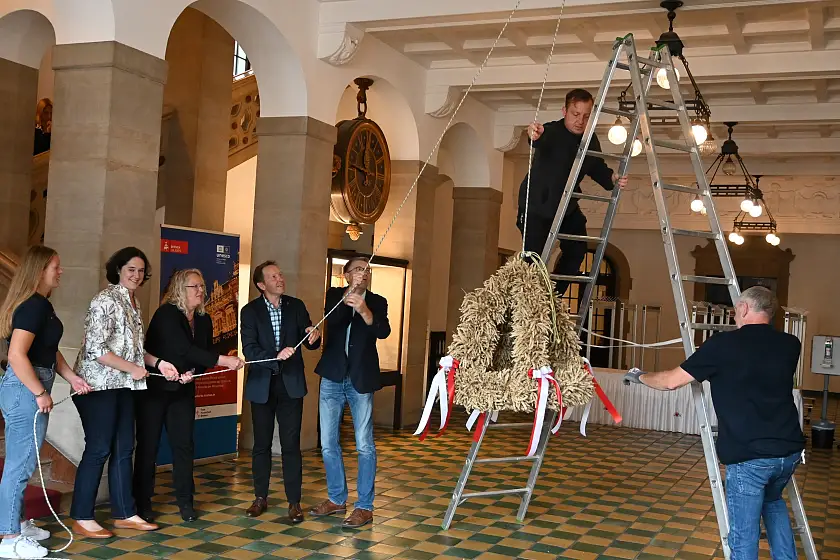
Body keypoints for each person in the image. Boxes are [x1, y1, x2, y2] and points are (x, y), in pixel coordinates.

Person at [623, 286, 805, 560]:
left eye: (736, 310)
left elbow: (671, 381)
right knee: (774, 503)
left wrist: (639, 376)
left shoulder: (723, 345)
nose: (734, 316)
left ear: (744, 309)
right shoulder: (791, 344)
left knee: (744, 536)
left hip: (749, 457)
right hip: (788, 452)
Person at [71, 247, 177, 538]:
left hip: (124, 386)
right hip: (98, 385)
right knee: (99, 448)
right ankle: (82, 516)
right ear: (118, 269)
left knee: (124, 448)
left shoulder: (134, 302)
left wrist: (160, 363)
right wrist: (131, 368)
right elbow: (96, 350)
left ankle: (125, 513)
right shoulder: (104, 299)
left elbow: (135, 351)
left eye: (141, 271)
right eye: (131, 269)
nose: (137, 275)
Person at [0, 246, 92, 559]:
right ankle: (9, 539)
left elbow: (49, 351)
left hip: (31, 384)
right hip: (25, 388)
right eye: (56, 266)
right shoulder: (33, 306)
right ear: (40, 270)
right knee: (19, 465)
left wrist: (72, 377)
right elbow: (16, 355)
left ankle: (19, 524)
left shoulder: (42, 306)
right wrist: (40, 392)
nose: (61, 271)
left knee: (23, 462)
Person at [133, 268, 244, 523]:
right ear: (179, 290)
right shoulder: (167, 314)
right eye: (194, 286)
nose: (201, 291)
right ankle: (142, 502)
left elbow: (203, 351)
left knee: (184, 446)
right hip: (156, 390)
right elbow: (182, 348)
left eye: (202, 286)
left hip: (184, 389)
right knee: (148, 446)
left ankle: (186, 502)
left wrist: (193, 371)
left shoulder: (204, 319)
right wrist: (224, 360)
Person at [517, 88, 628, 296]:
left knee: (577, 250)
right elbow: (538, 138)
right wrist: (533, 134)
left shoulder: (590, 139)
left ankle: (553, 297)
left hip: (567, 205)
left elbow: (596, 166)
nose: (580, 121)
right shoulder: (552, 131)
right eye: (575, 114)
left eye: (586, 116)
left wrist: (613, 178)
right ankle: (528, 303)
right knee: (533, 259)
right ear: (564, 111)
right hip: (536, 206)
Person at [309, 257, 390, 528]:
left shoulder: (378, 301)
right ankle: (336, 498)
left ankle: (364, 506)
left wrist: (365, 309)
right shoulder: (334, 294)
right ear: (345, 275)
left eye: (366, 270)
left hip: (360, 378)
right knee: (329, 443)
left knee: (364, 445)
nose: (363, 273)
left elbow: (383, 331)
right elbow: (335, 319)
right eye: (357, 269)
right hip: (332, 376)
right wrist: (349, 295)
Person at [240, 261, 321, 522]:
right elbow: (249, 350)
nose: (280, 279)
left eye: (280, 274)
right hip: (262, 384)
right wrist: (275, 356)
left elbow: (308, 340)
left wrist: (313, 335)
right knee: (260, 445)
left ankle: (294, 502)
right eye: (273, 276)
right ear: (261, 285)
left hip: (291, 385)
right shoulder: (249, 312)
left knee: (291, 445)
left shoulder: (296, 306)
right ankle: (260, 497)